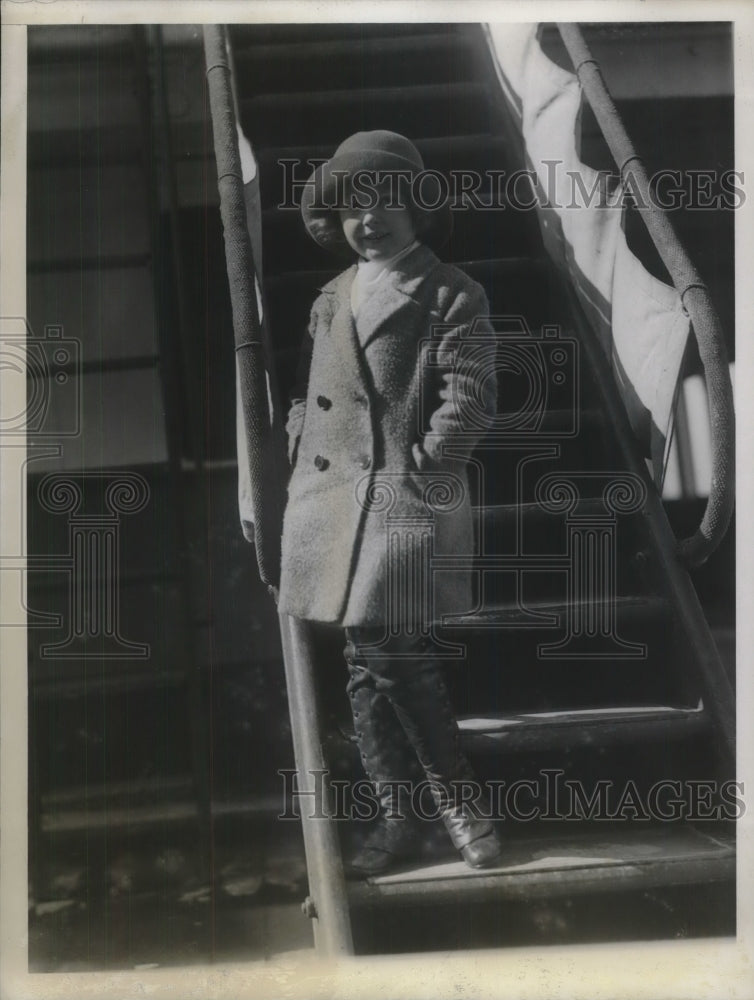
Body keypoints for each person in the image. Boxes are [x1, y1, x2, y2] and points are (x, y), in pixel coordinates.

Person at [278, 131, 502, 876]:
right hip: (333, 502)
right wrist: (297, 433)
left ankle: (456, 805)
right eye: (350, 207)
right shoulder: (331, 296)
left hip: (402, 498)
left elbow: (470, 399)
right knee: (365, 659)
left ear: (417, 208)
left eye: (384, 202)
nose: (367, 220)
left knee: (390, 651)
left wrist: (425, 471)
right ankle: (401, 821)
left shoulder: (451, 291)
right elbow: (318, 393)